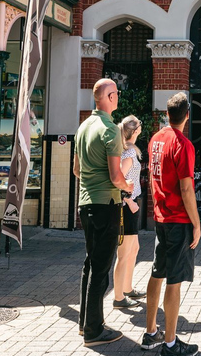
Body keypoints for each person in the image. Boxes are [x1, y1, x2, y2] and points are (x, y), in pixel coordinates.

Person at [73, 78, 134, 347]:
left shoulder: (83, 127)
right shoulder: (110, 130)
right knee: (100, 268)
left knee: (90, 263)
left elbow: (77, 170)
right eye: (116, 93)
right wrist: (127, 184)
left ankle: (85, 322)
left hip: (85, 203)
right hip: (105, 205)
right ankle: (94, 331)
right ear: (109, 97)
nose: (118, 96)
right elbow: (115, 175)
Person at [143, 92, 201, 356]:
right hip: (177, 219)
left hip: (160, 216)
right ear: (186, 115)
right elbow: (187, 189)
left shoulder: (155, 139)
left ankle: (150, 332)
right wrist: (197, 224)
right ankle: (170, 343)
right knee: (174, 281)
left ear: (168, 114)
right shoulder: (184, 144)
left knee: (157, 272)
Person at [112, 115, 147, 309]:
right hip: (127, 206)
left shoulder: (129, 151)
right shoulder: (128, 154)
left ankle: (127, 289)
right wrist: (128, 200)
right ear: (134, 131)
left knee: (133, 250)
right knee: (124, 253)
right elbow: (117, 181)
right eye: (139, 125)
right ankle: (118, 297)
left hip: (131, 204)